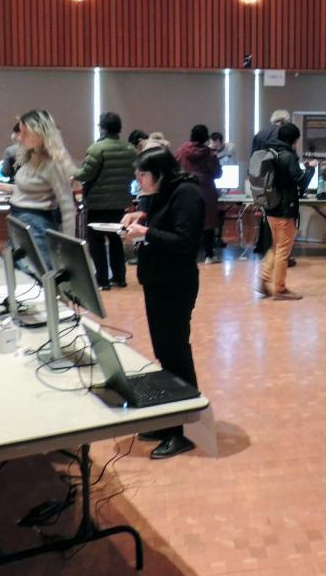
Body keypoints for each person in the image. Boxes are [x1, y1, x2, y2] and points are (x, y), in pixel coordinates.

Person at [121, 148, 205, 459]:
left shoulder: (186, 194)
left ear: (160, 173)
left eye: (142, 175)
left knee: (176, 354)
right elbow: (160, 219)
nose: (138, 181)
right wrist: (139, 215)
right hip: (157, 281)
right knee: (165, 354)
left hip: (175, 284)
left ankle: (183, 430)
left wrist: (145, 231)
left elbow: (184, 240)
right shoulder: (164, 191)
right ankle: (171, 420)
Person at [0, 109, 77, 269]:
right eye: (20, 131)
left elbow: (67, 207)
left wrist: (68, 247)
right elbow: (30, 190)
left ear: (40, 133)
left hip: (36, 225)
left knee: (38, 276)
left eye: (25, 132)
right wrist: (3, 187)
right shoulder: (31, 156)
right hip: (19, 220)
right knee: (20, 273)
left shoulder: (53, 163)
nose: (20, 137)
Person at [76, 112, 138, 290]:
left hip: (97, 203)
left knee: (96, 242)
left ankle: (102, 280)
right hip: (120, 201)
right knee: (116, 240)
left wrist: (72, 173)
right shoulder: (129, 149)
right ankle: (120, 278)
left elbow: (86, 173)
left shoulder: (97, 148)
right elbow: (133, 173)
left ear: (102, 128)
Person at [258, 123, 309, 300]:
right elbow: (300, 181)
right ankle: (280, 289)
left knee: (277, 246)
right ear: (294, 139)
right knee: (283, 250)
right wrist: (309, 169)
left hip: (270, 205)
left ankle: (263, 279)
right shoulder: (288, 156)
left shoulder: (268, 151)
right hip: (285, 207)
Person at [176, 125, 223, 264]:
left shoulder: (181, 151)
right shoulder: (210, 154)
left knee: (188, 222)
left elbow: (173, 167)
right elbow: (218, 173)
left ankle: (188, 254)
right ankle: (209, 255)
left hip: (186, 190)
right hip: (206, 190)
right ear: (206, 138)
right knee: (208, 223)